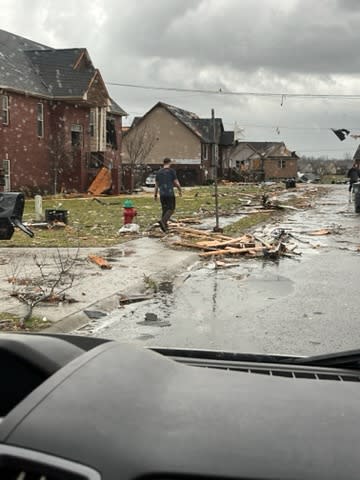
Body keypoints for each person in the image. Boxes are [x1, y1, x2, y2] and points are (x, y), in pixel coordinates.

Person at [154, 158, 182, 232]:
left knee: (165, 209)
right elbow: (176, 182)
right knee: (171, 209)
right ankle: (163, 221)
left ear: (163, 163)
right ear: (169, 163)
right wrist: (179, 190)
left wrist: (155, 194)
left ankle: (164, 227)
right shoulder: (171, 171)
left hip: (162, 194)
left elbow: (156, 185)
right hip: (169, 193)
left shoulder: (159, 172)